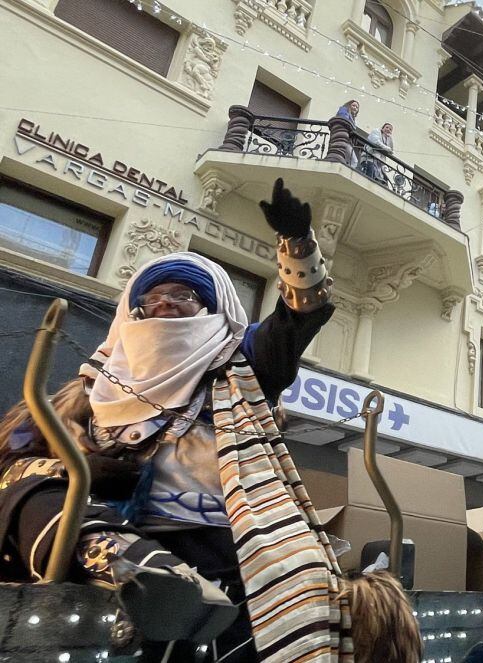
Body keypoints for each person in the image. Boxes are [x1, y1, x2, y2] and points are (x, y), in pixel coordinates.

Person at [0, 178, 420, 663]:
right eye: (150, 301)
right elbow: (22, 467)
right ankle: (136, 567)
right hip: (108, 537)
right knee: (24, 480)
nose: (164, 306)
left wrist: (298, 242)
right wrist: (91, 465)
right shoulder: (84, 397)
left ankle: (171, 588)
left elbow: (298, 319)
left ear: (215, 313)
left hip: (221, 548)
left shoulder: (240, 369)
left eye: (183, 296)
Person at [336, 100, 360, 168]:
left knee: (347, 159)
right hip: (343, 137)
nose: (355, 108)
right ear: (349, 105)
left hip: (347, 139)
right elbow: (344, 120)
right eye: (353, 105)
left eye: (357, 107)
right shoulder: (344, 109)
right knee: (354, 161)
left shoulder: (353, 118)